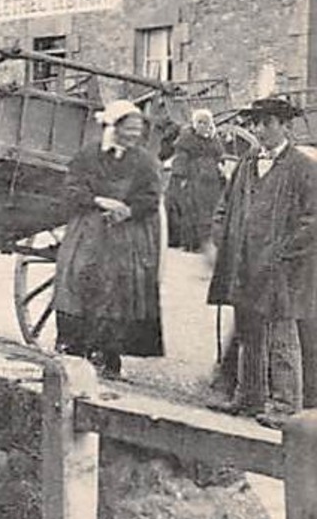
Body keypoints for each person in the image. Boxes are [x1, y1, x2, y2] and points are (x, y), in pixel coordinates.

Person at [207, 96, 317, 422]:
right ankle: (248, 398)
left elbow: (313, 220)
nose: (259, 130)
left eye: (266, 123)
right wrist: (221, 236)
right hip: (244, 263)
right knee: (247, 333)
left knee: (282, 336)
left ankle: (285, 407)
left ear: (285, 126)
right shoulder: (247, 162)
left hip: (282, 268)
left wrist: (284, 252)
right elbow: (225, 205)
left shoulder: (303, 168)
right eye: (254, 123)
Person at [51, 99, 166, 381]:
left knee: (118, 287)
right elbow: (71, 190)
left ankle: (108, 356)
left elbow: (151, 198)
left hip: (125, 234)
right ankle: (74, 349)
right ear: (113, 128)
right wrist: (97, 201)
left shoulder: (144, 162)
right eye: (128, 129)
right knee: (79, 276)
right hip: (89, 229)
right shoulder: (88, 156)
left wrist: (128, 211)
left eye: (138, 130)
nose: (134, 135)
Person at [168, 109, 226, 252]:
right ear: (194, 124)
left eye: (205, 123)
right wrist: (180, 177)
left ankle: (209, 241)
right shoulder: (187, 139)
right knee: (193, 210)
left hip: (211, 180)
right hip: (195, 178)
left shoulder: (214, 139)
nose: (202, 125)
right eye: (199, 122)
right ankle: (192, 243)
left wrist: (221, 168)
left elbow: (219, 156)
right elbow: (180, 159)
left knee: (211, 210)